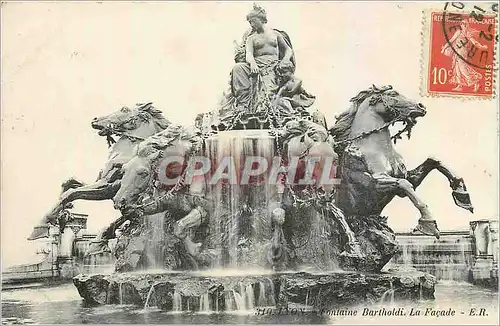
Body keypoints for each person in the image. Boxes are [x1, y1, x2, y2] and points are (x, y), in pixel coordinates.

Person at [230, 4, 294, 112]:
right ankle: (244, 104)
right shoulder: (251, 38)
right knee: (238, 68)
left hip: (272, 67)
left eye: (253, 21)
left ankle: (263, 106)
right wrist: (253, 63)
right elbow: (249, 54)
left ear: (261, 19)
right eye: (249, 22)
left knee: (267, 95)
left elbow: (288, 50)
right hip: (256, 65)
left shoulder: (275, 34)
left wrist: (285, 59)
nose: (251, 24)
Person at [441, 19, 488, 92]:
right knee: (457, 69)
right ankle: (459, 85)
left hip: (462, 53)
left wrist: (482, 47)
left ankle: (476, 83)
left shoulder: (468, 34)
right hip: (456, 52)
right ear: (461, 25)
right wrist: (444, 48)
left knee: (463, 68)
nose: (464, 25)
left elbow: (474, 43)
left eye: (465, 24)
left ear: (467, 25)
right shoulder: (458, 32)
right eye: (462, 24)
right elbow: (451, 40)